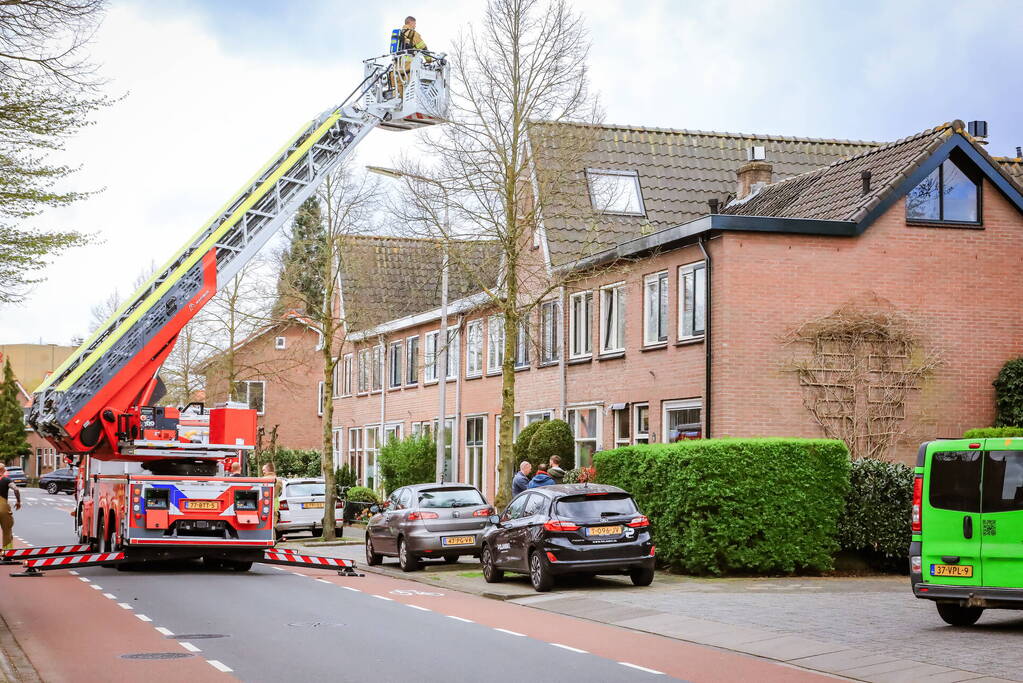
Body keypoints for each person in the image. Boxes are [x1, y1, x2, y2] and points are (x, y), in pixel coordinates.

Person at [393, 15, 428, 100]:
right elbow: (423, 48)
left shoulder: (399, 34)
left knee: (399, 89)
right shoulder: (413, 34)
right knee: (409, 87)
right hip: (409, 66)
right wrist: (429, 60)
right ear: (411, 22)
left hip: (397, 66)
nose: (415, 26)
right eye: (415, 23)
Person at [0, 464, 22, 551]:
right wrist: (18, 501)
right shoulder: (6, 480)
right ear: (3, 470)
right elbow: (16, 489)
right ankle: (7, 552)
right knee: (7, 531)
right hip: (3, 508)